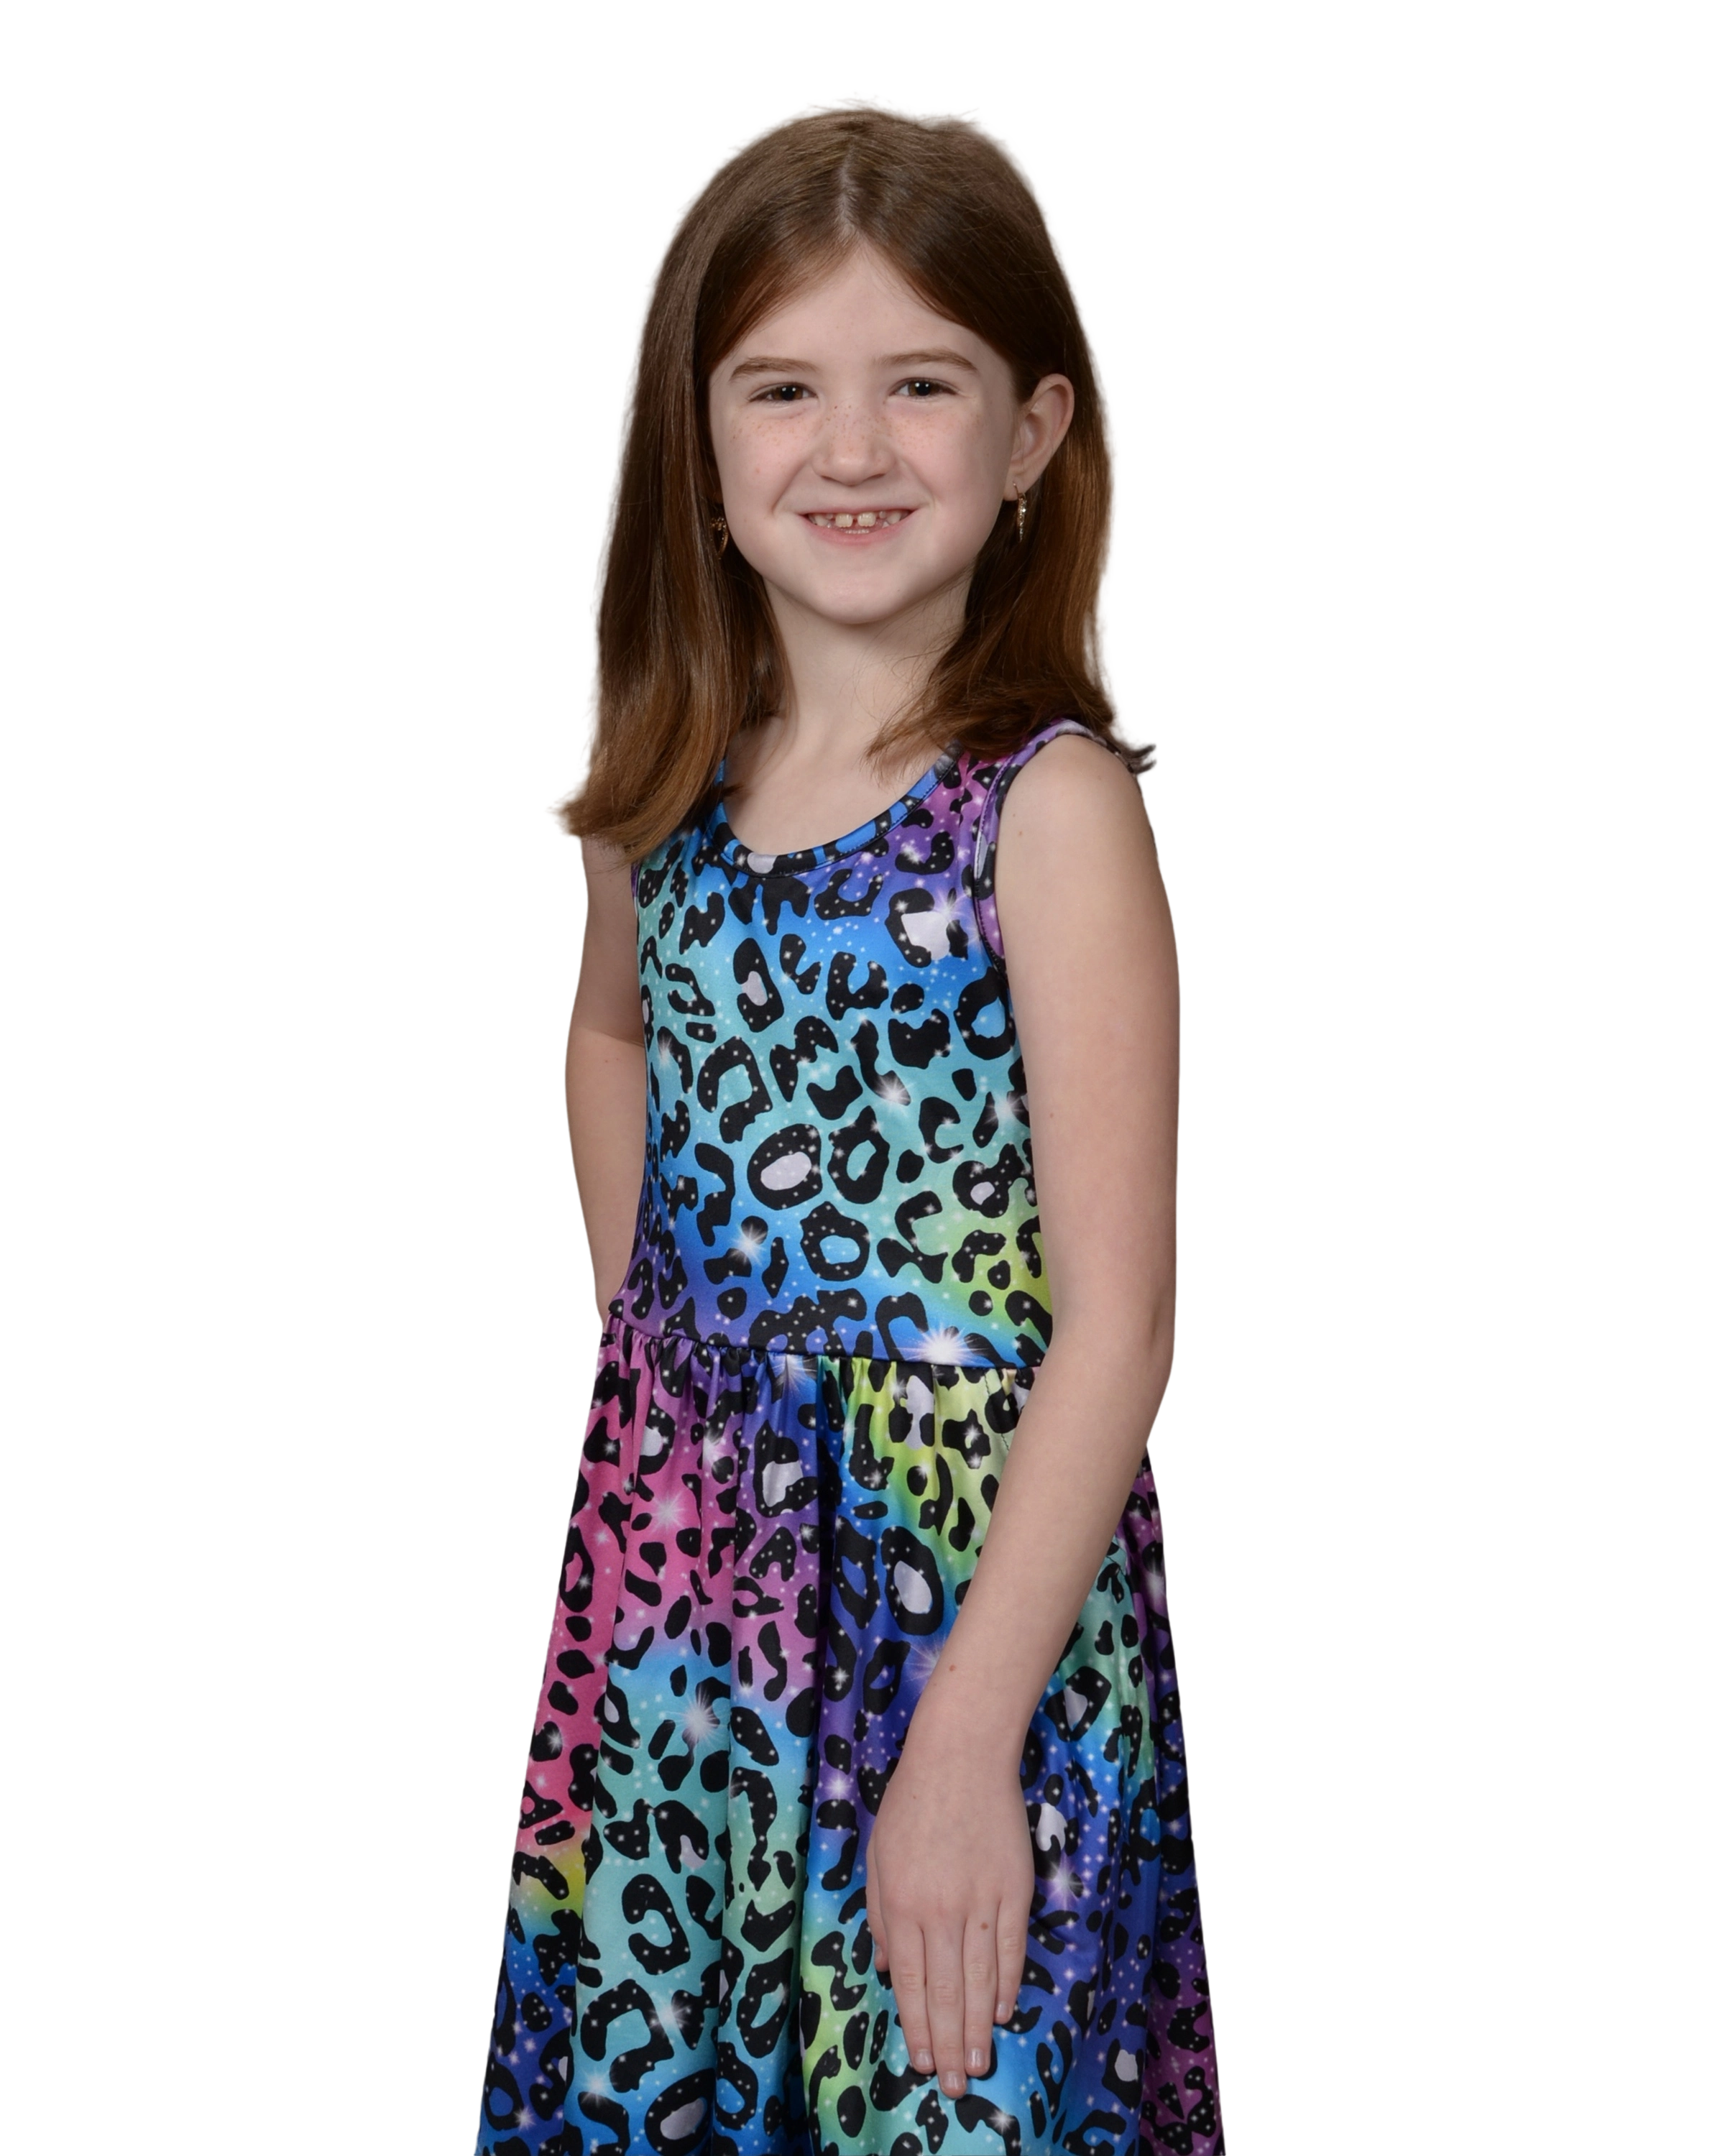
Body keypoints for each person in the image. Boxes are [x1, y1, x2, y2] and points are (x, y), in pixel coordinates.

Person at [475, 90, 1218, 2156]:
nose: (855, 447)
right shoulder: (661, 784)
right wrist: (652, 1354)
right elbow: (612, 1032)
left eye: (924, 383)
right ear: (700, 442)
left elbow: (1122, 1330)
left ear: (1035, 434)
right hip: (684, 1613)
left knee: (955, 2095)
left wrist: (965, 1743)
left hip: (970, 1608)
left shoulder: (1046, 812)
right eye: (784, 387)